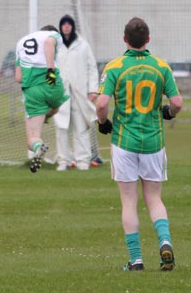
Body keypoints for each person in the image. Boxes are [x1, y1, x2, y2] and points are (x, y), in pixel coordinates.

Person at [96, 17, 182, 272]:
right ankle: (165, 242)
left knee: (129, 202)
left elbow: (101, 104)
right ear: (148, 39)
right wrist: (168, 112)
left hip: (124, 141)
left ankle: (136, 260)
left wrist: (103, 123)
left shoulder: (115, 67)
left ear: (124, 39)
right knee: (154, 198)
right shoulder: (161, 67)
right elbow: (177, 103)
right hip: (154, 142)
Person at [15, 25, 69, 173]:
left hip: (33, 90)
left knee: (32, 138)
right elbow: (49, 42)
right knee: (55, 106)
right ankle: (47, 116)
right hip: (53, 85)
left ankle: (39, 147)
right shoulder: (54, 35)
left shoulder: (21, 43)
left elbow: (18, 77)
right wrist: (50, 69)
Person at [54, 14, 100, 171]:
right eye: (63, 24)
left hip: (80, 93)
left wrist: (93, 90)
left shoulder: (83, 45)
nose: (66, 26)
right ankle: (63, 161)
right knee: (61, 127)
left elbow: (92, 68)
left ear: (72, 26)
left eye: (69, 24)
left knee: (81, 128)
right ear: (60, 26)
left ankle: (83, 161)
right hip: (61, 94)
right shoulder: (56, 44)